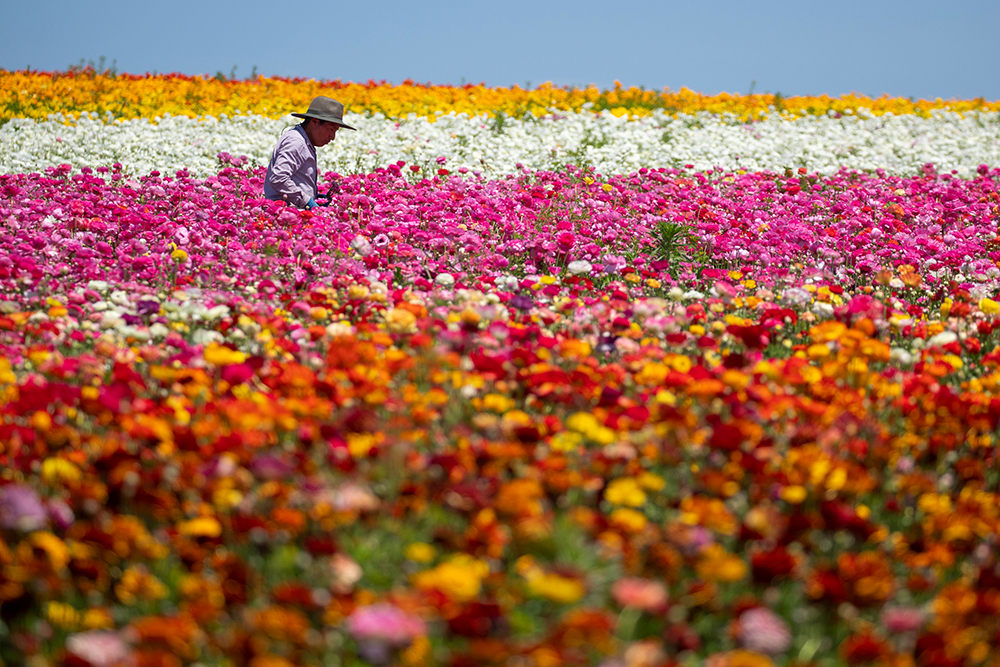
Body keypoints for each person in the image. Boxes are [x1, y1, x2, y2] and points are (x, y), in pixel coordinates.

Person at [263, 96, 356, 209]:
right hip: (287, 213)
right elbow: (278, 178)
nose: (332, 137)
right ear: (314, 122)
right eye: (331, 129)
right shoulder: (297, 142)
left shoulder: (304, 140)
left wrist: (316, 197)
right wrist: (308, 203)